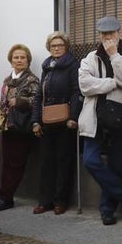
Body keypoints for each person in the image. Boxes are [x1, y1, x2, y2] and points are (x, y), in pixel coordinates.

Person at [78, 16, 122, 225]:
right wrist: (112, 83)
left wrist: (115, 56)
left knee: (116, 165)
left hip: (120, 118)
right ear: (99, 35)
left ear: (119, 33)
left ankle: (107, 210)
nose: (108, 38)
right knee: (90, 160)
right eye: (104, 35)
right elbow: (85, 85)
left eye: (112, 34)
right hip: (93, 118)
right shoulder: (90, 57)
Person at [32, 31, 82, 215]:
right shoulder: (47, 67)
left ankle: (60, 201)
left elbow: (77, 93)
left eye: (60, 45)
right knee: (46, 163)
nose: (57, 48)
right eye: (53, 46)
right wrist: (35, 121)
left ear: (66, 47)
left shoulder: (72, 66)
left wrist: (73, 117)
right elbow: (39, 95)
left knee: (63, 162)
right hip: (47, 121)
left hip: (65, 121)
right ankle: (45, 201)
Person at [0, 44, 40, 212]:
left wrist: (20, 102)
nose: (19, 60)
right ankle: (4, 196)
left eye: (22, 57)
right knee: (7, 163)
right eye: (16, 57)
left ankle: (5, 197)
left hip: (22, 128)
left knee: (16, 164)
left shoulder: (31, 80)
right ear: (11, 60)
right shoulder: (7, 79)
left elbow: (38, 101)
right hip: (8, 127)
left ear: (28, 60)